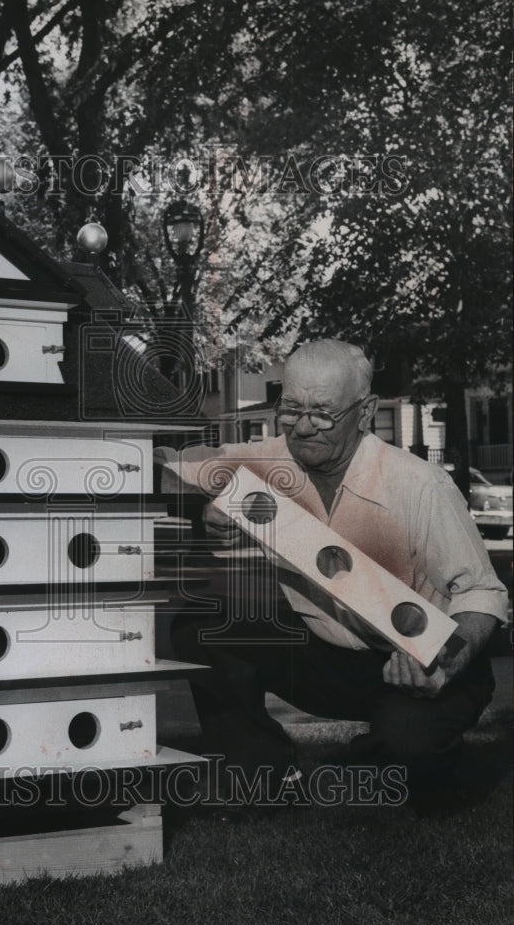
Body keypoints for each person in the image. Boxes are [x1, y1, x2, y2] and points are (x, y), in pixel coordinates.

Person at [156, 339, 508, 811]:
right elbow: (167, 468)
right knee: (200, 624)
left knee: (412, 766)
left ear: (365, 412)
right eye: (291, 409)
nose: (303, 427)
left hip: (425, 663)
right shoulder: (267, 460)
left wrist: (441, 666)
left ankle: (400, 759)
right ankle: (257, 769)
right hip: (327, 658)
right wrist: (206, 508)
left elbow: (482, 592)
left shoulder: (419, 484)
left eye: (323, 413)